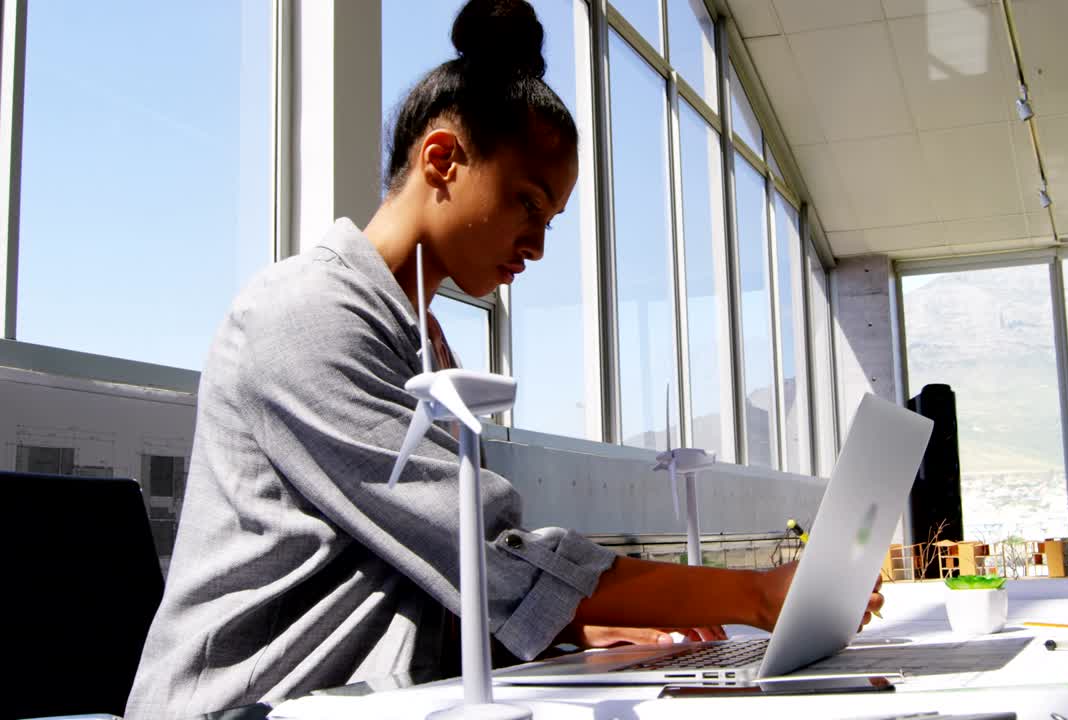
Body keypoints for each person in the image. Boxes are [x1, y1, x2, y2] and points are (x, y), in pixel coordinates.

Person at [125, 1, 882, 717]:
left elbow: (432, 577)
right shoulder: (303, 318)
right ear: (443, 159)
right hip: (249, 708)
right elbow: (485, 558)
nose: (539, 245)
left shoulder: (422, 337)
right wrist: (754, 596)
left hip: (371, 699)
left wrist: (568, 630)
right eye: (527, 202)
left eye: (551, 219)